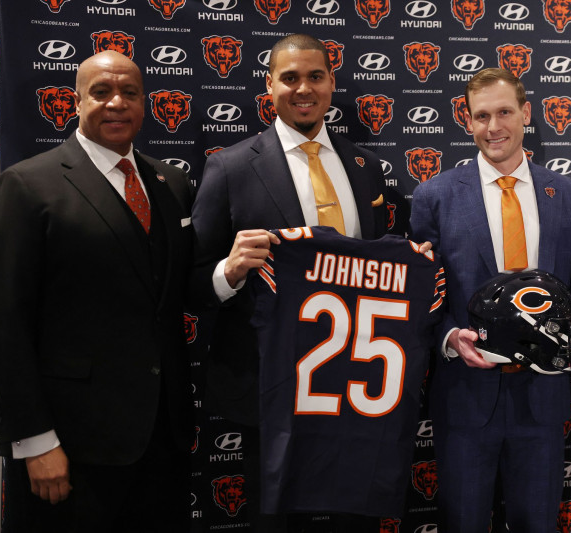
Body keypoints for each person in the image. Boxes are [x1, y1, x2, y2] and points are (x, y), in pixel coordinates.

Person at [189, 34, 389, 531]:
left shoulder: (364, 167)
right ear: (269, 86)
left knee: (353, 520)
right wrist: (229, 271)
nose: (304, 89)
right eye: (290, 77)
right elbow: (191, 284)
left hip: (354, 385)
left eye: (315, 76)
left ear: (331, 82)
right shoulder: (230, 167)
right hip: (269, 388)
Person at [0, 51, 194, 532]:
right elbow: (5, 322)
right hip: (69, 447)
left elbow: (173, 294)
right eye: (101, 92)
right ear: (77, 101)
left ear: (144, 103)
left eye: (129, 92)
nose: (116, 103)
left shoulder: (171, 183)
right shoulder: (27, 185)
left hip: (162, 441)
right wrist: (35, 441)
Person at [409, 68, 571, 532]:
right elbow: (420, 292)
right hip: (465, 395)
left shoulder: (567, 195)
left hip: (543, 394)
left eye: (504, 112)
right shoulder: (434, 196)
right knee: (463, 523)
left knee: (537, 523)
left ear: (526, 113)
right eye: (481, 116)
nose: (493, 127)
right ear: (467, 121)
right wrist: (450, 337)